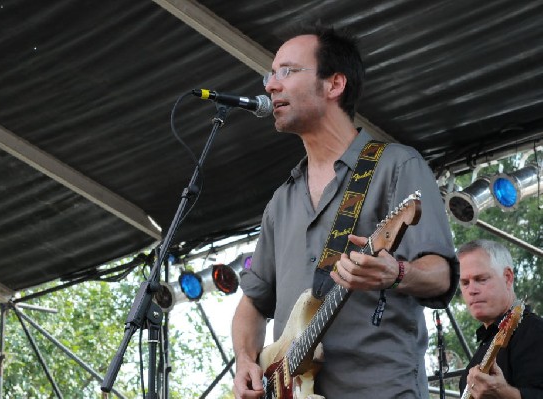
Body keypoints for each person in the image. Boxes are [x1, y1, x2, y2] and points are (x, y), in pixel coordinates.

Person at [231, 23, 458, 398]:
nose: (271, 85)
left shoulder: (396, 166)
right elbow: (252, 303)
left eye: (287, 71)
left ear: (334, 85)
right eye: (271, 74)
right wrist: (245, 361)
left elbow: (441, 276)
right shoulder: (281, 202)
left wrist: (396, 271)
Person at [457, 239, 543, 398]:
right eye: (465, 283)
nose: (471, 290)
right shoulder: (486, 344)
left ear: (508, 277)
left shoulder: (534, 331)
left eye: (481, 279)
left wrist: (505, 394)